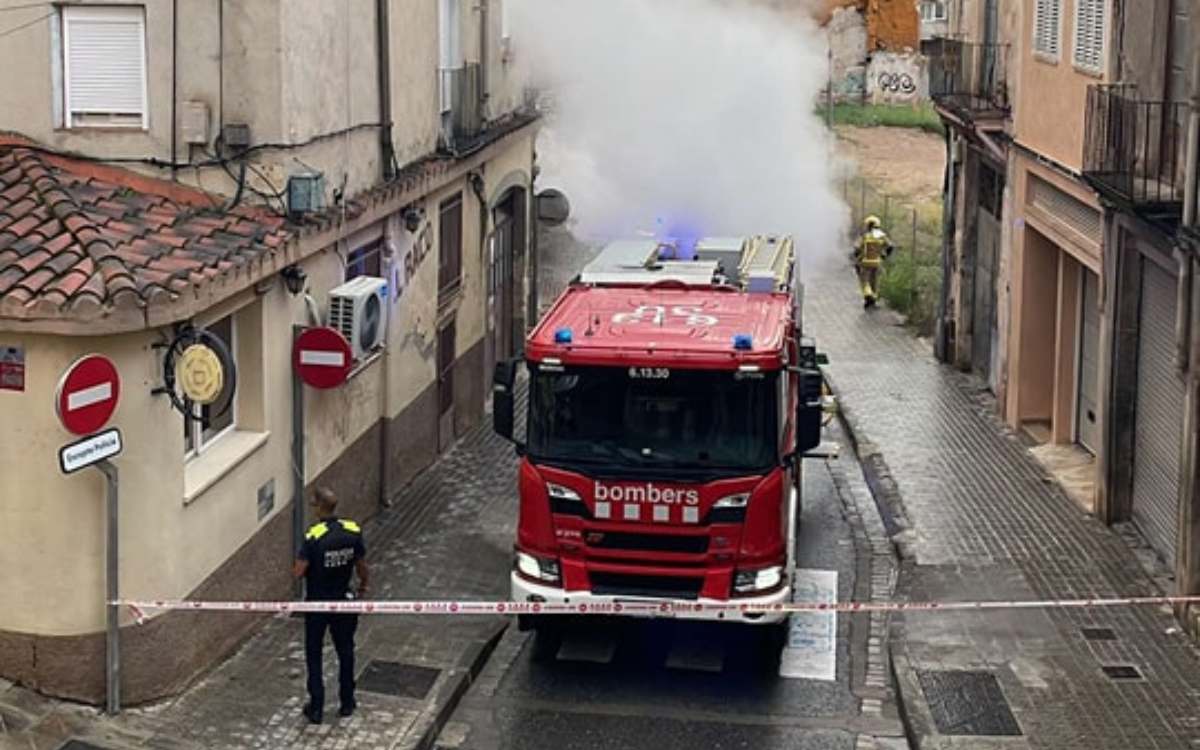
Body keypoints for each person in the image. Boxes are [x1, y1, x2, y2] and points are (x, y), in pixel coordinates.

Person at [293, 487, 369, 725]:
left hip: (317, 604)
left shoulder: (314, 536)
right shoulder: (352, 530)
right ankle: (347, 701)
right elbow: (361, 565)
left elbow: (299, 571)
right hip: (344, 601)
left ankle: (316, 707)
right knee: (345, 651)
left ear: (318, 507)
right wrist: (363, 586)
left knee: (314, 654)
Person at [852, 215, 895, 308]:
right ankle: (874, 299)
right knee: (874, 281)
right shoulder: (881, 236)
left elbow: (857, 248)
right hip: (877, 262)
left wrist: (856, 258)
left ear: (868, 225)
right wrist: (885, 256)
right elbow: (890, 246)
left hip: (865, 262)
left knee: (864, 281)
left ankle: (868, 295)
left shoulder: (865, 236)